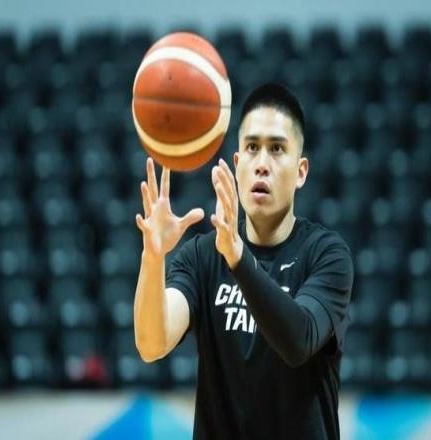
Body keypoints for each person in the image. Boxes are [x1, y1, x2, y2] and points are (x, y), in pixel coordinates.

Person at [133, 83, 354, 439]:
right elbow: (151, 344)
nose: (262, 164)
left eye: (277, 149)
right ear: (237, 164)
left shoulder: (326, 255)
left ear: (301, 171)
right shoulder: (203, 255)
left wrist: (237, 256)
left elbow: (298, 341)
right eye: (252, 148)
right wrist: (153, 257)